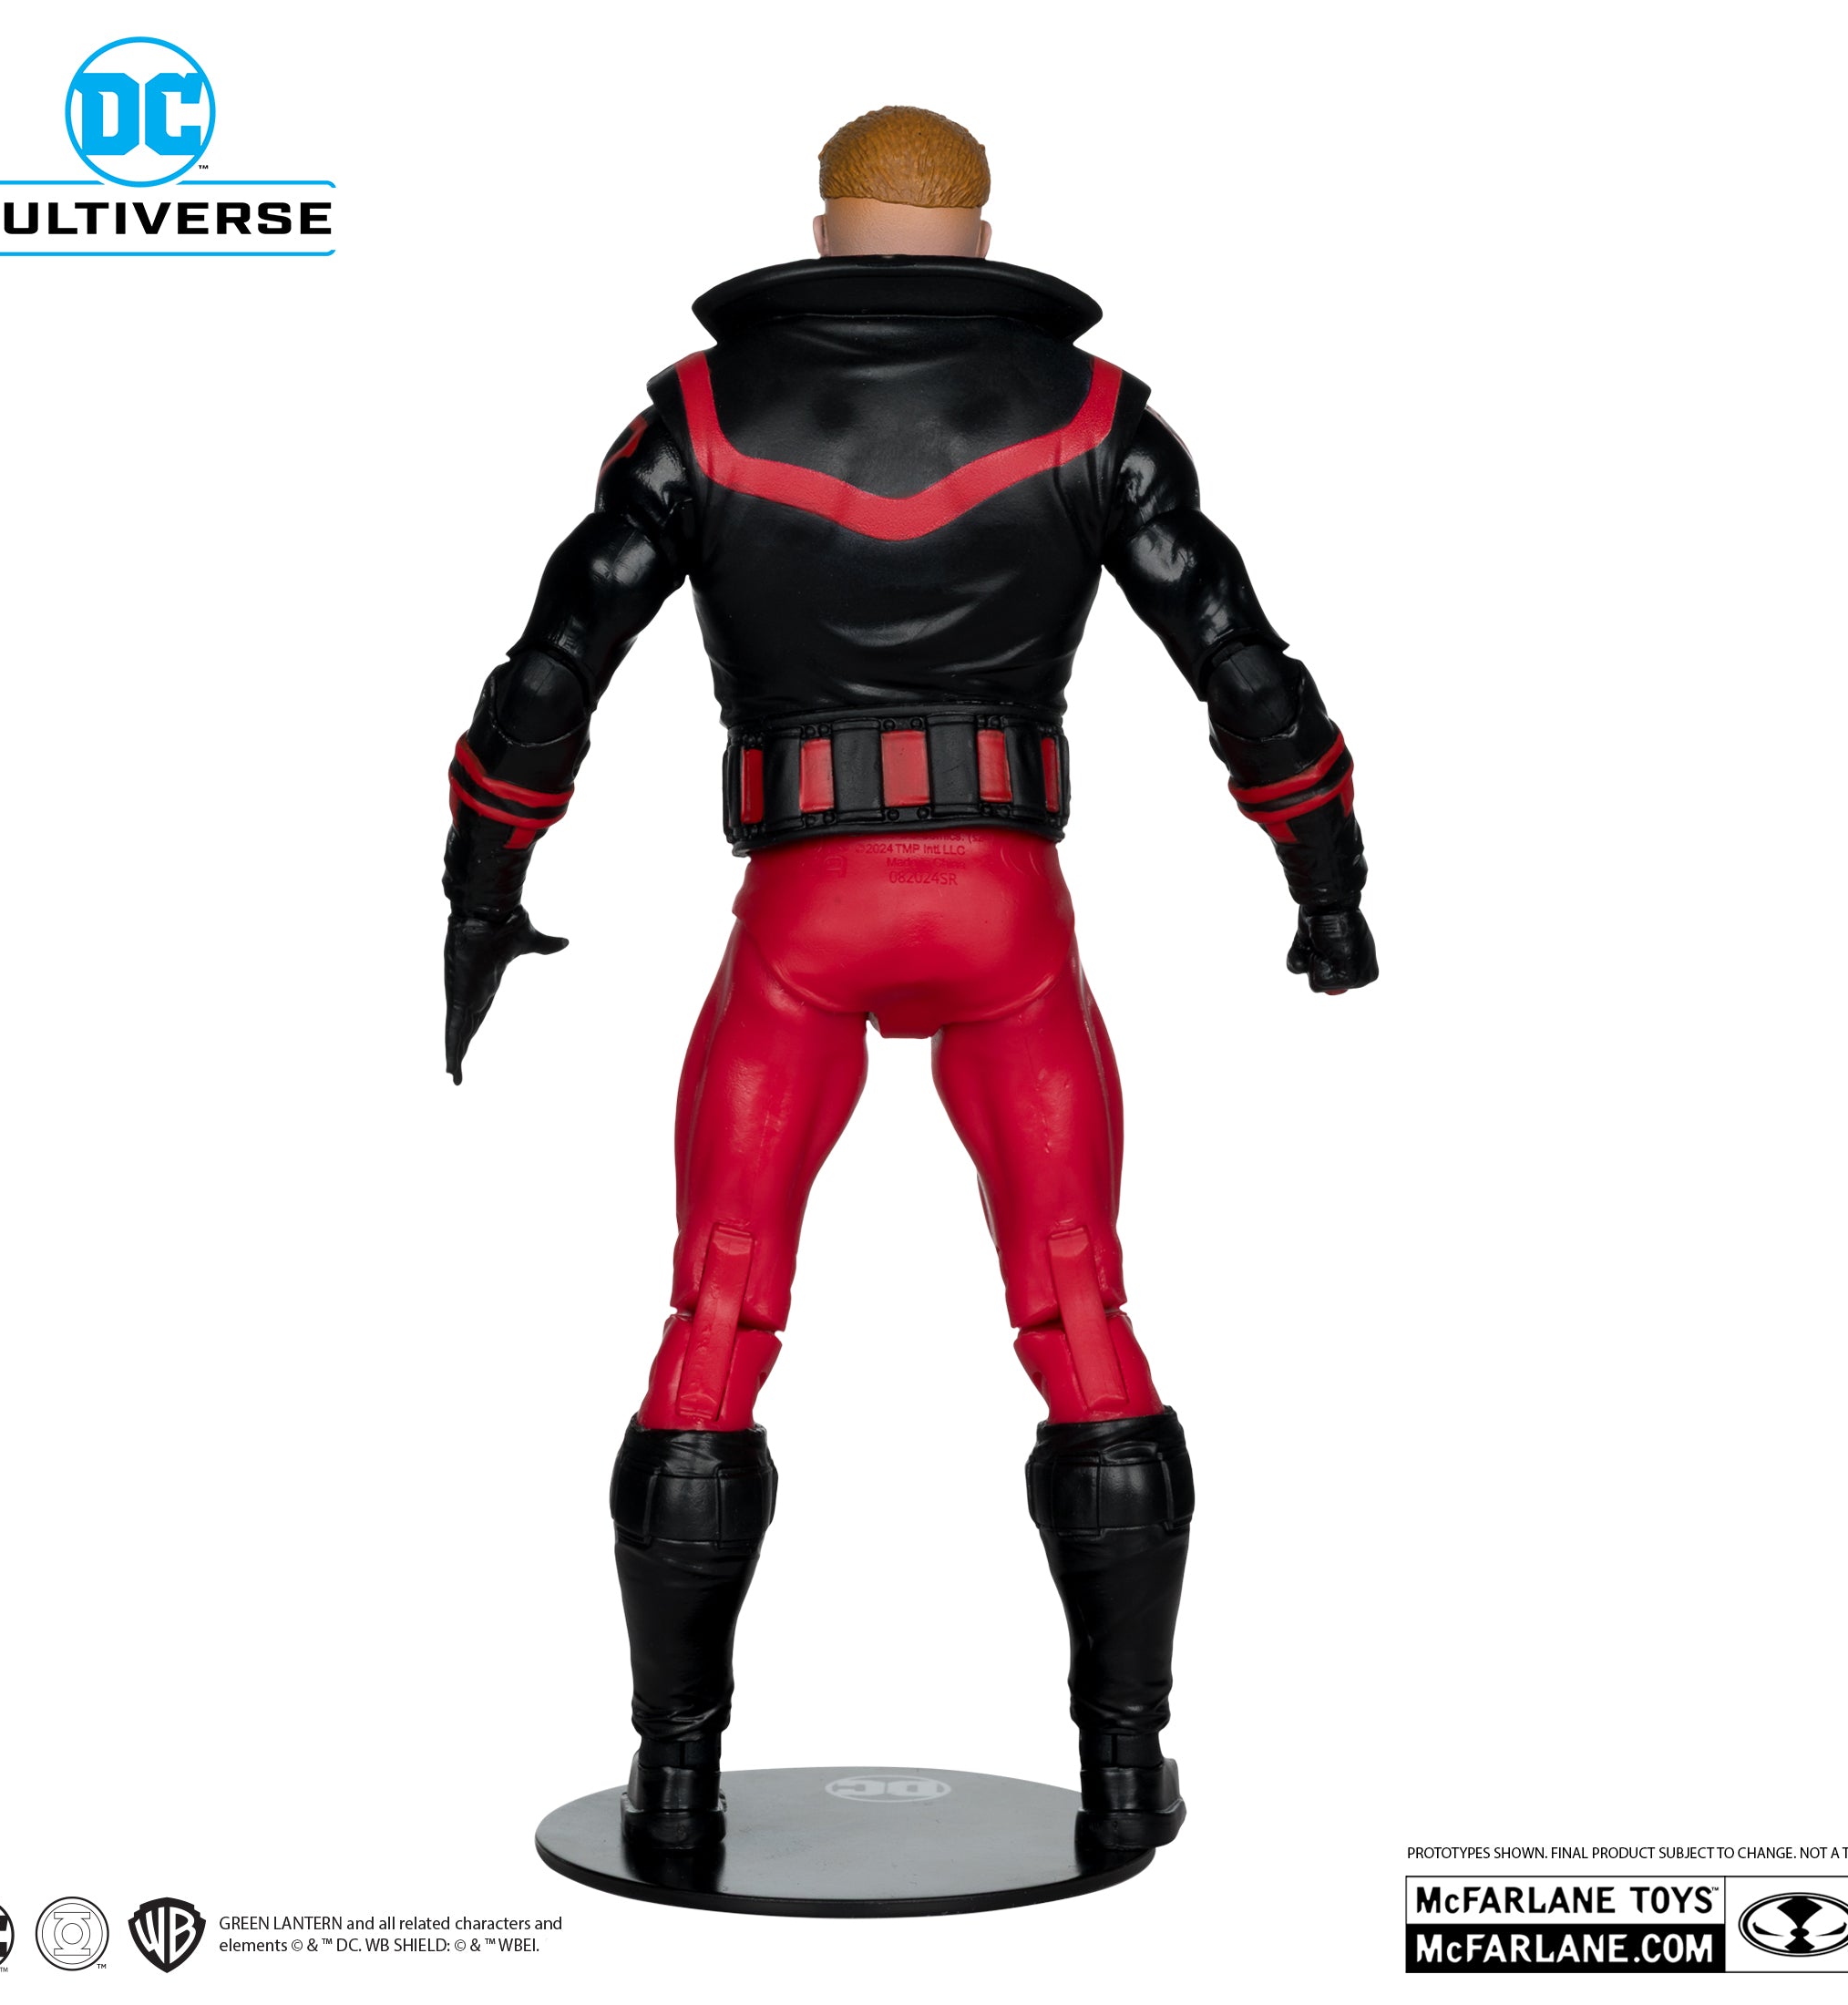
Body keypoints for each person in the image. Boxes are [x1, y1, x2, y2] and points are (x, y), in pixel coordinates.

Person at [443, 105, 1377, 1853]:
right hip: (1007, 915)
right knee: (1080, 1312)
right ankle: (1122, 1768)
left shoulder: (702, 415)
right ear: (981, 234)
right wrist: (1324, 877)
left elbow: (557, 656)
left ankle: (674, 1778)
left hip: (805, 913)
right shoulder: (1091, 417)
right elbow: (1237, 654)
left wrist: (483, 884)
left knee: (715, 1324)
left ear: (822, 228)